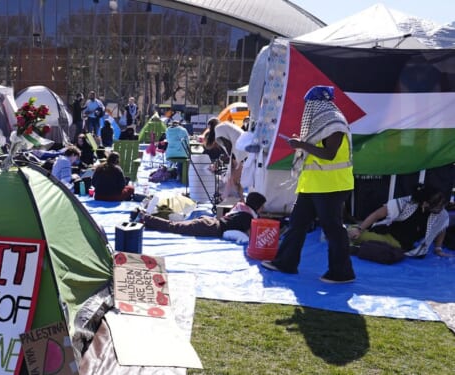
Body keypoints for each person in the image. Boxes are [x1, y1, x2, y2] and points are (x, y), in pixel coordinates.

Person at [261, 85, 356, 284]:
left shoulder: (335, 124)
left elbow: (329, 154)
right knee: (297, 224)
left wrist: (302, 145)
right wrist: (302, 143)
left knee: (333, 228)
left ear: (317, 104)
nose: (307, 109)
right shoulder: (324, 124)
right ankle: (285, 262)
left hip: (332, 186)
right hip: (313, 185)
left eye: (309, 104)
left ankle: (342, 272)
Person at [348, 184, 451, 257]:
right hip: (387, 235)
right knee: (353, 233)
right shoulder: (405, 203)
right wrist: (359, 229)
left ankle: (360, 248)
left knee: (390, 253)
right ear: (425, 204)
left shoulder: (441, 214)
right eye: (438, 205)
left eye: (442, 205)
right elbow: (376, 214)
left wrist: (438, 249)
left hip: (402, 246)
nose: (441, 208)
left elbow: (442, 228)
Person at [134, 192, 266, 238]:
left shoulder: (243, 210)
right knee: (173, 227)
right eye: (262, 206)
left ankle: (147, 220)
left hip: (209, 223)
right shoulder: (248, 218)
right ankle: (145, 217)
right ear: (257, 205)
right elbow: (243, 234)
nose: (262, 209)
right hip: (209, 227)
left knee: (174, 225)